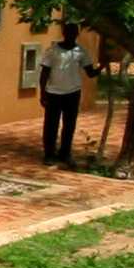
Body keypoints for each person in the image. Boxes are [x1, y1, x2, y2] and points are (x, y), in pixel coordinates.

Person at [38, 21, 91, 168]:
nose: (71, 35)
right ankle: (49, 154)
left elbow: (90, 72)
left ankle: (65, 153)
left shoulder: (81, 51)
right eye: (68, 32)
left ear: (77, 34)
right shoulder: (53, 51)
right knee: (51, 125)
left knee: (69, 124)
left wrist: (103, 65)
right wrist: (42, 93)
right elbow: (44, 73)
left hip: (73, 92)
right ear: (64, 33)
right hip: (53, 92)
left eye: (74, 32)